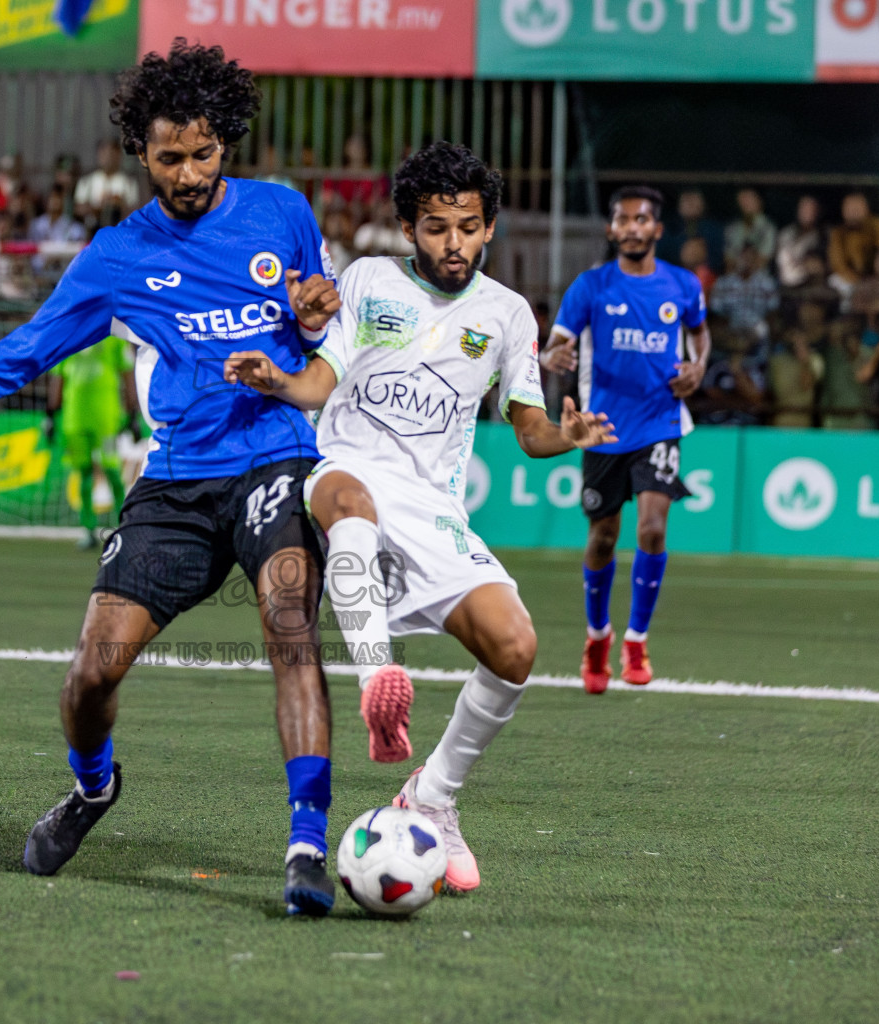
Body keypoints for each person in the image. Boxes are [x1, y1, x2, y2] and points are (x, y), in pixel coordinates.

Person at [0, 42, 345, 916]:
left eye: (204, 153)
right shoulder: (115, 257)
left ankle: (306, 844)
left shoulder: (282, 213)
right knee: (90, 677)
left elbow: (320, 317)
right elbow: (18, 356)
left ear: (228, 143)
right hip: (176, 482)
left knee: (290, 623)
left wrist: (318, 312)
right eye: (169, 156)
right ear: (140, 151)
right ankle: (94, 788)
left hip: (276, 456)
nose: (188, 173)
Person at [222, 142, 616, 893]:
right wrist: (278, 379)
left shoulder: (506, 315)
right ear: (408, 227)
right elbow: (319, 383)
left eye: (467, 226)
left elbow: (528, 428)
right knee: (347, 499)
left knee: (516, 645)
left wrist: (567, 436)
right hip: (343, 464)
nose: (453, 243)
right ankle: (379, 681)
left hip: (433, 505)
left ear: (491, 226)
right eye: (436, 227)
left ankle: (433, 796)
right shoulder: (367, 281)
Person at [539, 185, 710, 693]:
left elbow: (700, 333)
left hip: (661, 421)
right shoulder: (591, 287)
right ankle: (598, 638)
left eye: (642, 219)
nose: (633, 227)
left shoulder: (682, 285)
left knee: (653, 530)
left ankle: (637, 639)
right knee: (603, 538)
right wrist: (555, 358)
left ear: (657, 229)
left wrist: (698, 368)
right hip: (602, 429)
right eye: (624, 219)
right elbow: (556, 344)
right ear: (612, 229)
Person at [48, 334, 132, 549]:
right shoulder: (68, 337)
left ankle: (126, 527)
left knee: (112, 469)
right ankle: (88, 529)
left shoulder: (115, 338)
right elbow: (58, 377)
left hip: (106, 418)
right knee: (83, 473)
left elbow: (127, 373)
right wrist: (49, 413)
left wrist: (132, 413)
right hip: (74, 418)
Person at [828, 192, 879, 291]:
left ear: (866, 208)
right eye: (849, 208)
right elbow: (838, 265)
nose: (853, 212)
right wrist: (858, 282)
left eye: (857, 207)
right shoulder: (838, 233)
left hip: (876, 279)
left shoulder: (877, 225)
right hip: (852, 281)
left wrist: (877, 277)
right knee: (834, 281)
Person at [74, 139, 140, 230]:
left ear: (119, 156)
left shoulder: (128, 182)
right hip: (92, 229)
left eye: (112, 154)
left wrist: (118, 204)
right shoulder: (87, 181)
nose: (108, 158)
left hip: (119, 229)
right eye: (104, 154)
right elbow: (78, 208)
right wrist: (97, 208)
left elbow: (134, 209)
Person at [776, 195, 826, 289]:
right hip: (783, 286)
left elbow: (820, 266)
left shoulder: (822, 236)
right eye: (803, 208)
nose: (806, 212)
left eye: (810, 209)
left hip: (809, 287)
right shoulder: (786, 233)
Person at [724, 188, 777, 267]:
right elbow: (728, 259)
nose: (746, 203)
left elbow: (763, 259)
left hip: (760, 276)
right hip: (734, 275)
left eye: (749, 199)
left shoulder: (768, 228)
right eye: (743, 200)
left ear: (759, 201)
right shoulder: (732, 228)